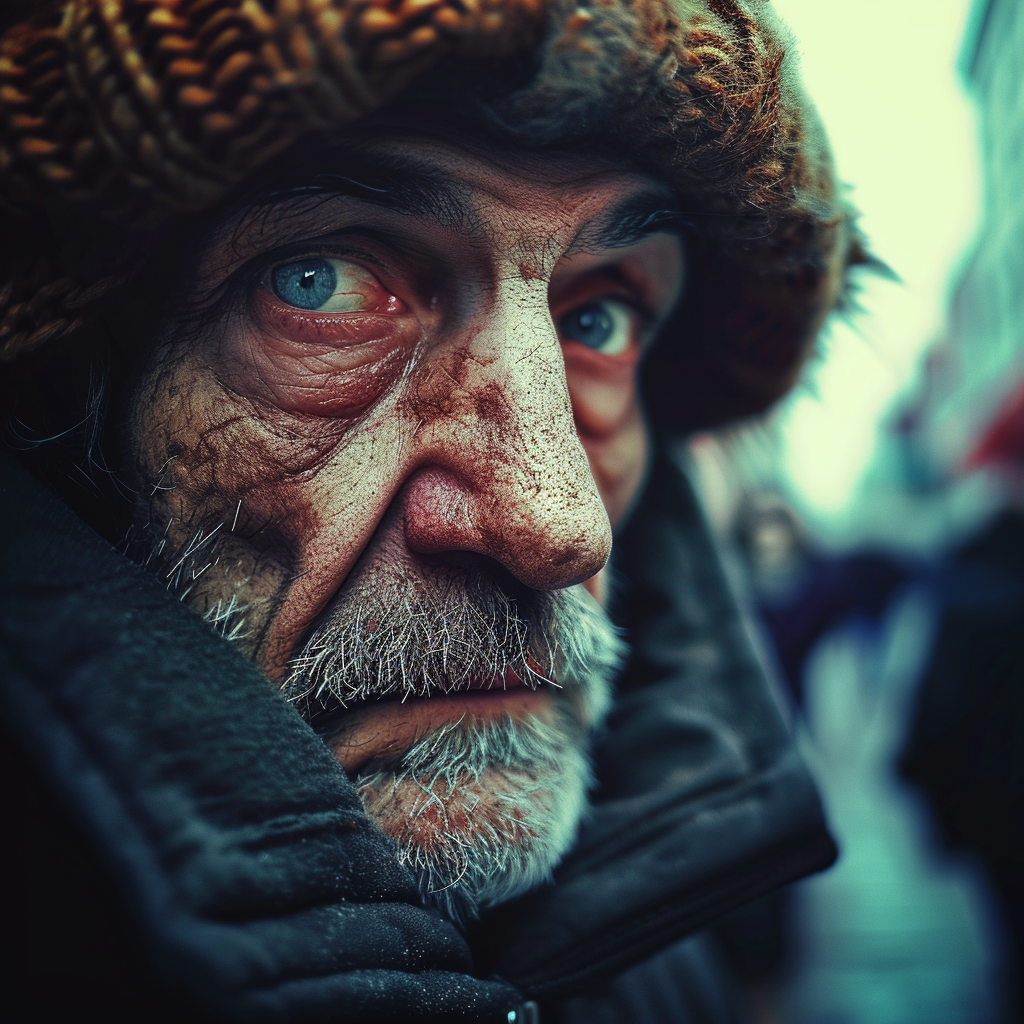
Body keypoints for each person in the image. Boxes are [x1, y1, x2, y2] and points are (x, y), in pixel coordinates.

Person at [0, 1, 855, 1020]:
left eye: (598, 317)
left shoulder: (669, 945)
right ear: (50, 408)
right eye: (321, 285)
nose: (558, 524)